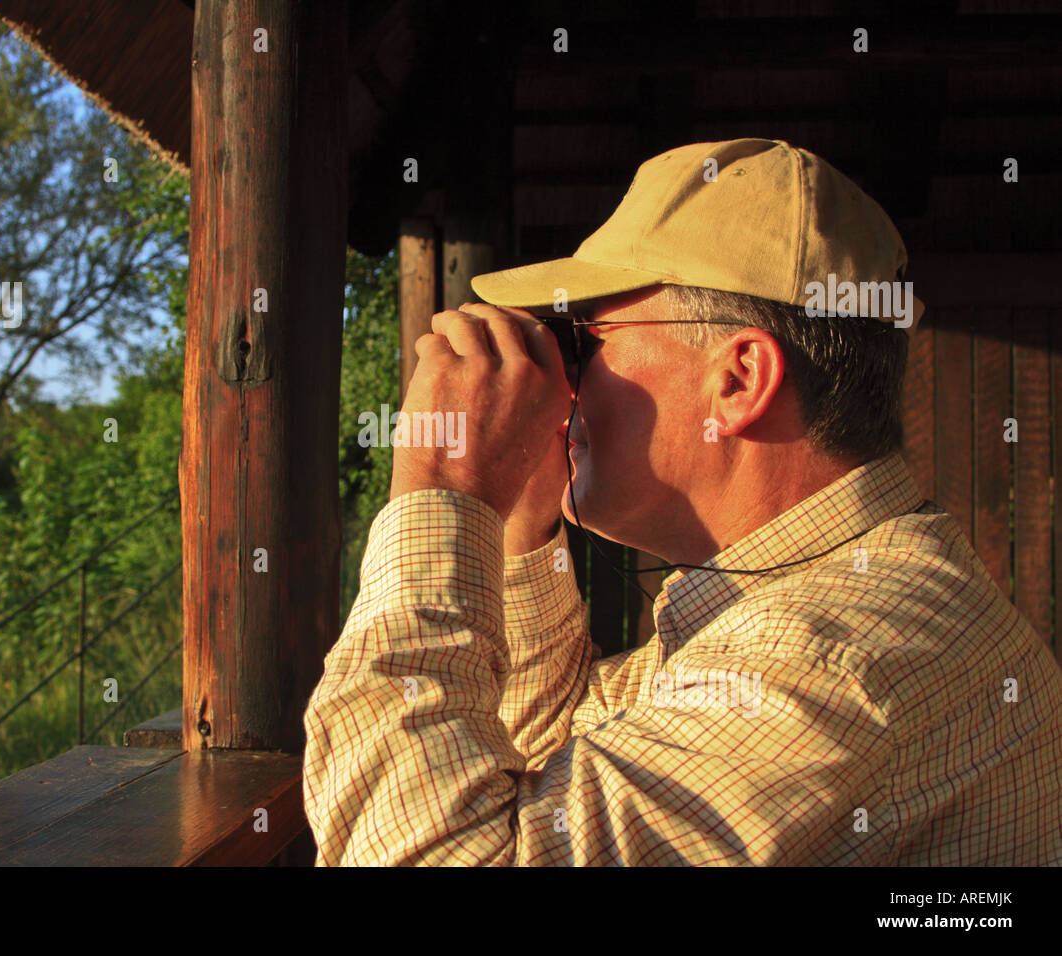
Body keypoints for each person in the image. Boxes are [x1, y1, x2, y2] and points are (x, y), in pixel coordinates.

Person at [302, 138, 1062, 865]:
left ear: (737, 381)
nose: (562, 383)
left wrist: (443, 490)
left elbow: (424, 852)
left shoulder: (829, 661)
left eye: (583, 336)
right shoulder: (832, 603)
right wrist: (519, 527)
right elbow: (562, 760)